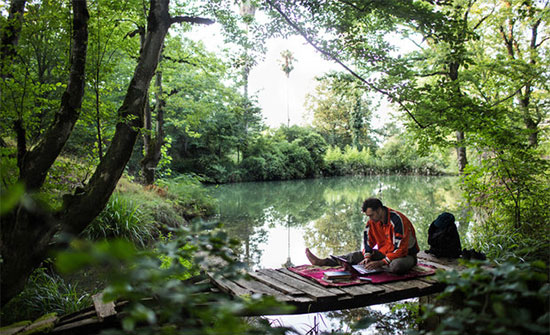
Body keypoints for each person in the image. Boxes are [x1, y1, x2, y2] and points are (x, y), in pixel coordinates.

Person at [305, 197, 419, 275]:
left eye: (371, 215)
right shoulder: (372, 222)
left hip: (405, 256)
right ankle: (324, 262)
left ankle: (380, 267)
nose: (370, 219)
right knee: (357, 256)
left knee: (396, 266)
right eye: (368, 216)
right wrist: (367, 257)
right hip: (385, 254)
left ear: (379, 210)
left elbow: (401, 250)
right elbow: (368, 242)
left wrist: (382, 262)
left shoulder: (397, 220)